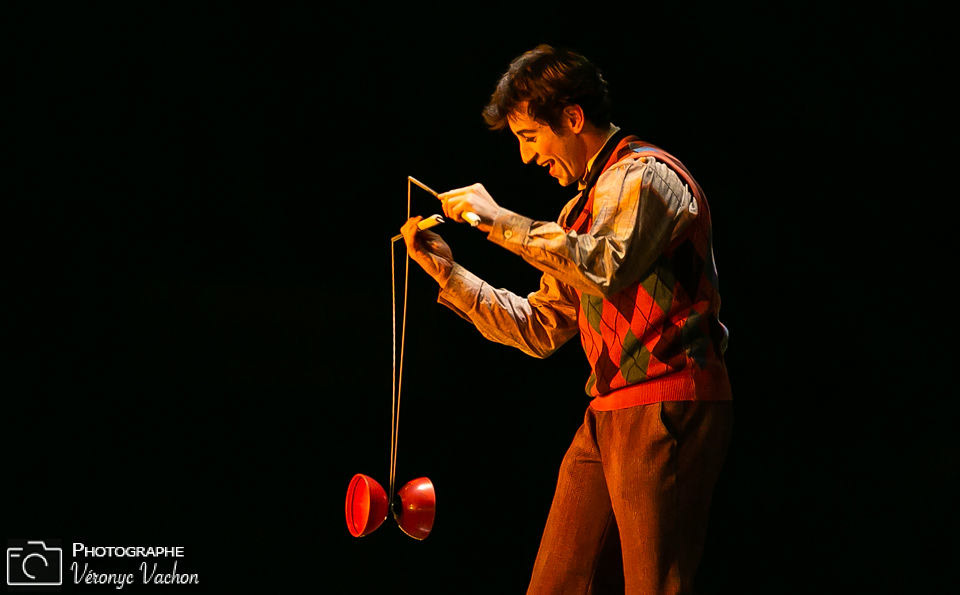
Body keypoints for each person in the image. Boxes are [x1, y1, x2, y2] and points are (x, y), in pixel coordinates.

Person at [400, 44, 733, 594]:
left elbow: (604, 266)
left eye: (530, 137)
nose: (527, 157)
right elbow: (540, 327)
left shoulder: (647, 175)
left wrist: (499, 220)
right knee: (556, 583)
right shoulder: (578, 210)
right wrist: (448, 273)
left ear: (573, 118)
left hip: (665, 400)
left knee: (653, 585)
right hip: (607, 410)